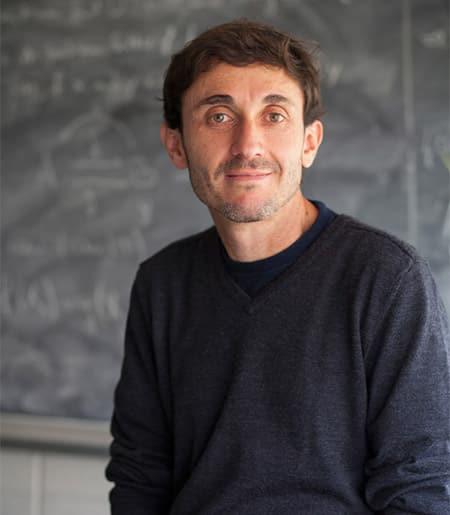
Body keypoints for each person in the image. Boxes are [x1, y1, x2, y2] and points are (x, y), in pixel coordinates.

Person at [105, 19, 450, 514]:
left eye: (274, 115)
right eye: (219, 116)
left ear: (309, 142)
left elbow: (418, 490)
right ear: (176, 144)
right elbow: (140, 476)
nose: (248, 145)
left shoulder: (386, 280)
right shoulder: (161, 286)